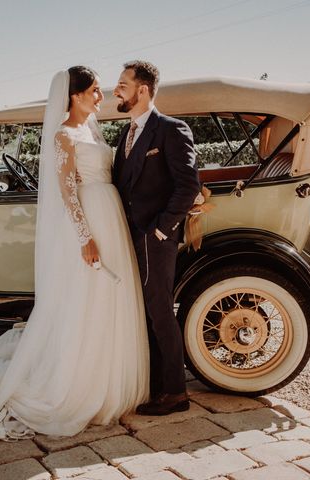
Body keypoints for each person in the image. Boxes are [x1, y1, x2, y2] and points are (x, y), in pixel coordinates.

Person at [0, 66, 149, 446]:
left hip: (111, 217)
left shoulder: (91, 130)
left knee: (110, 301)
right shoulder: (63, 135)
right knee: (88, 302)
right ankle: (82, 384)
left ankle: (111, 379)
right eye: (94, 92)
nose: (101, 97)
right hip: (91, 222)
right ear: (75, 95)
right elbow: (67, 191)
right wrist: (85, 237)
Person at [113, 60, 201, 416]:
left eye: (123, 84)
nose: (116, 90)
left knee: (160, 311)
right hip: (128, 238)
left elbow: (188, 186)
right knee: (144, 311)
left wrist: (162, 230)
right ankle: (155, 385)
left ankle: (176, 393)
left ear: (143, 89)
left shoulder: (171, 129)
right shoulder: (125, 134)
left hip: (156, 239)